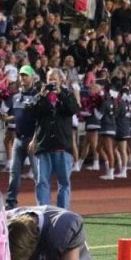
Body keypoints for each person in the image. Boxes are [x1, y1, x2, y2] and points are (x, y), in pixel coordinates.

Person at [29, 68, 79, 209]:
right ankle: (43, 212)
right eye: (49, 78)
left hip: (62, 145)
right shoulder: (41, 95)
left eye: (54, 78)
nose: (51, 81)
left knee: (64, 182)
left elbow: (73, 109)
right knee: (42, 181)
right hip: (44, 144)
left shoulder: (67, 94)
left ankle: (62, 212)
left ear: (60, 80)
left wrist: (61, 93)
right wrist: (41, 96)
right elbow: (31, 112)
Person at [5, 65, 41, 209]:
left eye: (25, 75)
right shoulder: (16, 97)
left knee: (38, 174)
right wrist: (7, 119)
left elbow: (40, 120)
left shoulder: (38, 96)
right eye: (21, 75)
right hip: (18, 139)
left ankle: (42, 202)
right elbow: (18, 116)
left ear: (32, 77)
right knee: (14, 173)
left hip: (32, 139)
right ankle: (11, 202)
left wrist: (35, 139)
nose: (22, 78)